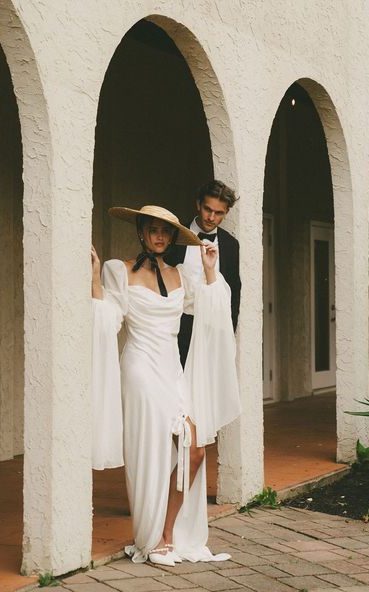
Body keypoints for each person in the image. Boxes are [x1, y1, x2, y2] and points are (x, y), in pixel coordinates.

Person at [91, 205, 241, 567]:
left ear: (173, 237)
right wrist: (95, 279)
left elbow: (210, 310)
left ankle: (168, 533)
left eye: (166, 231)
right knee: (150, 452)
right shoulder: (118, 269)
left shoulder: (179, 275)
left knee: (194, 449)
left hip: (172, 370)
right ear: (141, 231)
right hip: (140, 368)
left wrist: (208, 271)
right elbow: (109, 319)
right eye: (153, 229)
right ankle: (150, 537)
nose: (159, 236)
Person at [165, 180, 241, 367]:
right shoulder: (174, 235)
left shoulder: (231, 244)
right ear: (198, 204)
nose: (211, 217)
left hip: (214, 328)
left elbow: (234, 291)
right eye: (208, 209)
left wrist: (228, 333)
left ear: (226, 213)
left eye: (219, 213)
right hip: (179, 327)